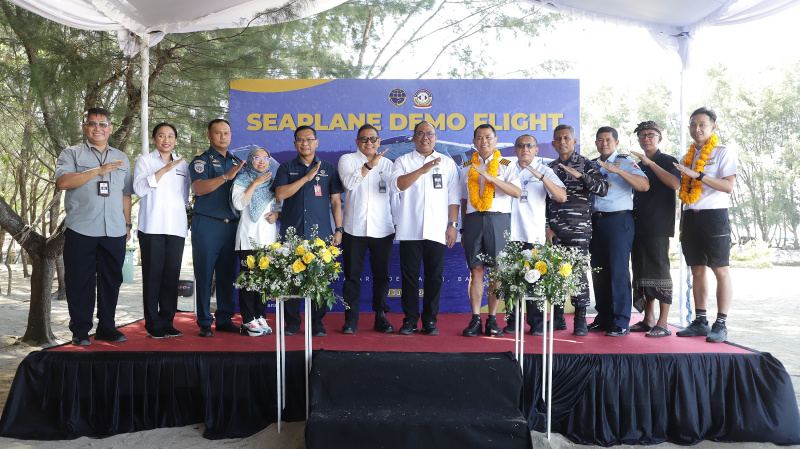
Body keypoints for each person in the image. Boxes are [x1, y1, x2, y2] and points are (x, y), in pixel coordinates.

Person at [55, 107, 133, 346]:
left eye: (102, 124)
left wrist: (127, 223)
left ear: (110, 128)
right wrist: (97, 171)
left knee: (111, 280)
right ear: (84, 128)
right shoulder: (72, 154)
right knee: (80, 280)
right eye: (92, 124)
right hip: (81, 228)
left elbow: (126, 194)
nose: (97, 128)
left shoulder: (121, 157)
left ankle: (107, 327)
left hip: (115, 230)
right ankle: (80, 330)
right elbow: (63, 182)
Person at [389, 121, 460, 336]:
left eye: (430, 134)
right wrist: (423, 169)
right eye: (420, 134)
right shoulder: (402, 161)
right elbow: (397, 185)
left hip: (437, 229)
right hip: (410, 229)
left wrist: (453, 226)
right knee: (409, 277)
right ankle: (410, 320)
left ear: (435, 138)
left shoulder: (447, 163)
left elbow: (454, 198)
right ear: (414, 138)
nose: (425, 137)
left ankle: (430, 321)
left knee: (434, 277)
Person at [673, 107, 737, 343]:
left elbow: (728, 187)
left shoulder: (722, 152)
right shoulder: (686, 157)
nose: (696, 129)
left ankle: (721, 323)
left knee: (720, 270)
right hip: (690, 216)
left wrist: (698, 175)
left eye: (702, 124)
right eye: (693, 124)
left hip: (714, 216)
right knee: (696, 270)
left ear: (712, 127)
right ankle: (701, 321)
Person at [274, 125, 344, 337]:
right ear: (295, 144)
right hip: (291, 232)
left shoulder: (329, 169)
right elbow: (280, 195)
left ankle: (317, 323)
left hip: (320, 233)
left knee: (318, 280)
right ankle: (293, 324)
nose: (305, 143)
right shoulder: (286, 168)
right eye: (300, 140)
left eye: (309, 139)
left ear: (316, 142)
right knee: (290, 277)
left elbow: (335, 201)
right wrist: (305, 178)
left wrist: (338, 229)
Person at [545, 124, 608, 336]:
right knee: (555, 274)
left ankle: (580, 319)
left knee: (578, 275)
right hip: (555, 230)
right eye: (558, 139)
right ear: (553, 143)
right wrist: (547, 227)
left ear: (574, 141)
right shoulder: (549, 167)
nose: (562, 142)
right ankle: (558, 318)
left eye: (566, 138)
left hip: (579, 229)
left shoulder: (586, 165)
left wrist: (581, 176)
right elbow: (543, 200)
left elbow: (603, 189)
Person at [459, 124, 522, 338]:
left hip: (498, 220)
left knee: (497, 271)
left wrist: (491, 178)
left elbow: (515, 192)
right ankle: (476, 318)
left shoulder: (506, 164)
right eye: (479, 137)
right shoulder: (467, 165)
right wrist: (463, 229)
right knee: (475, 270)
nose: (484, 141)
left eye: (488, 137)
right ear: (474, 142)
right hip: (474, 220)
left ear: (495, 140)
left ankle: (492, 319)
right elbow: (463, 199)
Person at [587, 126, 649, 337]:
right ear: (596, 143)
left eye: (608, 140)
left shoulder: (624, 161)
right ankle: (604, 317)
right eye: (600, 140)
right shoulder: (592, 164)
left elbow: (644, 185)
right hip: (596, 221)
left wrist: (619, 172)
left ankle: (622, 320)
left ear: (616, 142)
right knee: (599, 271)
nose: (604, 143)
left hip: (619, 220)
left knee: (618, 271)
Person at [504, 134, 566, 335]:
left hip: (534, 233)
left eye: (529, 145)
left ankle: (537, 323)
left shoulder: (544, 170)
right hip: (509, 234)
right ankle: (512, 321)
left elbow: (561, 196)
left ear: (536, 150)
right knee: (510, 281)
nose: (525, 149)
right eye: (520, 145)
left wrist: (541, 178)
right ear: (515, 150)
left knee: (535, 280)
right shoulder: (506, 167)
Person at [133, 122, 191, 339]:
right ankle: (152, 323)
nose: (166, 140)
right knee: (152, 276)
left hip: (176, 227)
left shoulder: (183, 164)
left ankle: (167, 320)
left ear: (175, 139)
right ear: (154, 139)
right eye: (161, 136)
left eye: (170, 136)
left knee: (171, 277)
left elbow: (184, 196)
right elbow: (138, 189)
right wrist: (163, 170)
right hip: (152, 227)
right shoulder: (145, 161)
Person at [338, 124, 396, 334]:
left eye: (373, 139)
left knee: (382, 277)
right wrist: (370, 165)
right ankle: (351, 320)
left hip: (383, 229)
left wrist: (396, 222)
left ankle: (381, 317)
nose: (369, 143)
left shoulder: (389, 164)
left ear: (379, 142)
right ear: (357, 142)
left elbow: (394, 197)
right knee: (352, 277)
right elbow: (349, 184)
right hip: (354, 230)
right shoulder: (347, 160)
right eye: (364, 139)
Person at [190, 119, 245, 338]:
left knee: (227, 275)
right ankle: (204, 320)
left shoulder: (237, 161)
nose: (223, 137)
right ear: (209, 135)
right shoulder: (201, 161)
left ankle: (224, 318)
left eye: (227, 133)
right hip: (208, 224)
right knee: (204, 273)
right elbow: (198, 188)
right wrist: (225, 177)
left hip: (232, 226)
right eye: (218, 133)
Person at [629, 121, 681, 338]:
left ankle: (663, 321)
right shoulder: (636, 164)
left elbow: (675, 184)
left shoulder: (668, 160)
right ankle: (648, 318)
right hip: (637, 223)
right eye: (642, 135)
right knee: (641, 272)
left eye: (650, 134)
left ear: (660, 138)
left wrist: (650, 163)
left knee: (659, 272)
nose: (646, 138)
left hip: (658, 224)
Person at [232, 147, 278, 337]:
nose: (261, 161)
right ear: (251, 160)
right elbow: (239, 204)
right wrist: (254, 184)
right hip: (248, 237)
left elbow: (280, 205)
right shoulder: (242, 179)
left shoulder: (273, 182)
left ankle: (260, 316)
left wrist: (277, 214)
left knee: (264, 281)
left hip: (267, 239)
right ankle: (248, 320)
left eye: (265, 158)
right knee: (249, 280)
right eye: (257, 158)